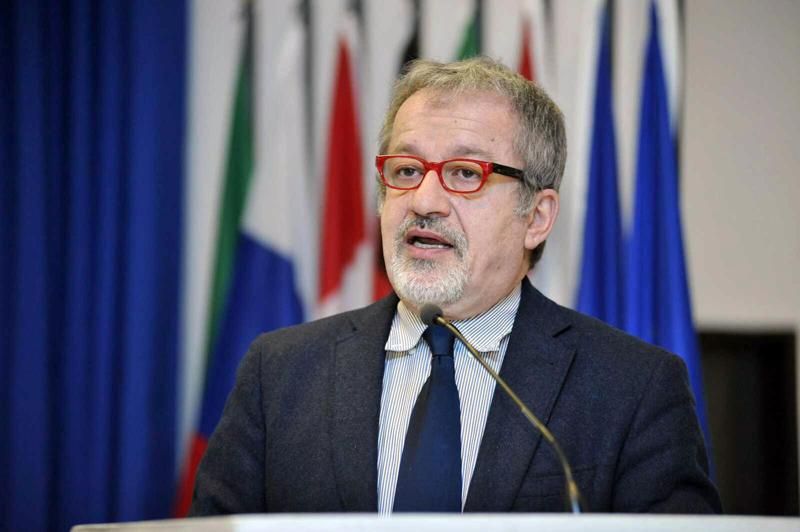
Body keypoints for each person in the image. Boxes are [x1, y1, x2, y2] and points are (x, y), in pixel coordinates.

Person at [189, 57, 721, 514]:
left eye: (466, 173)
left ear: (536, 216)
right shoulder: (279, 374)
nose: (423, 201)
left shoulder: (634, 388)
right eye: (405, 170)